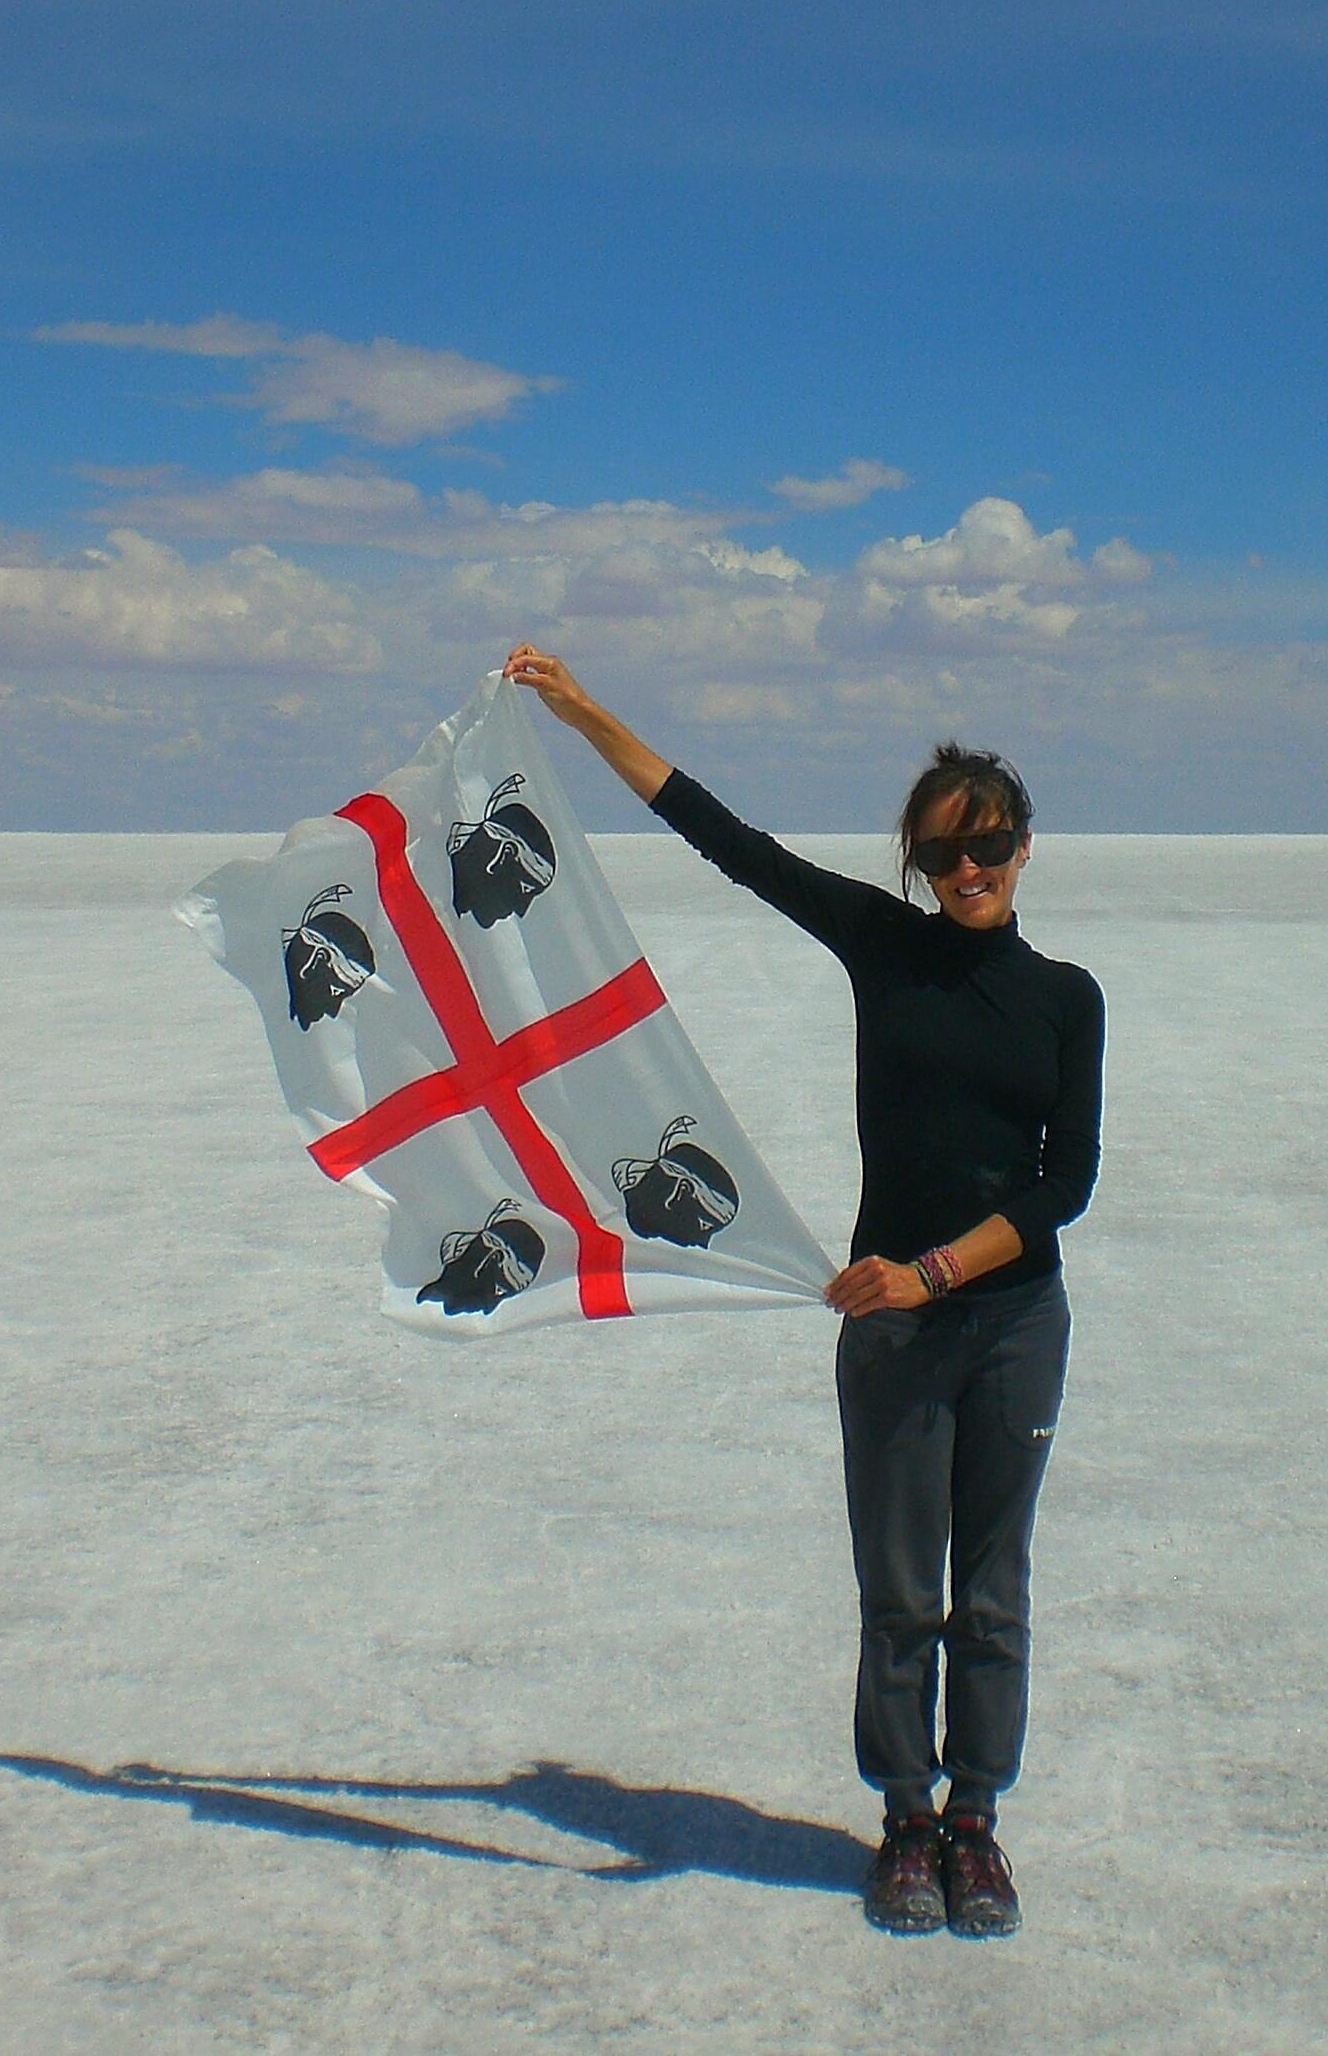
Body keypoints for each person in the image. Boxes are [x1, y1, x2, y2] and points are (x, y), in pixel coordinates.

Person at [505, 643, 1104, 1940]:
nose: (967, 872)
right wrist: (582, 709)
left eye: (988, 844)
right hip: (889, 1336)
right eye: (943, 853)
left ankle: (976, 1828)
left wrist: (934, 1267)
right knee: (900, 1594)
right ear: (915, 863)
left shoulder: (1063, 1001)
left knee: (988, 1595)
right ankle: (903, 1825)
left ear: (1021, 844)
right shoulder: (884, 948)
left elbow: (1065, 1187)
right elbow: (723, 836)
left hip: (1008, 1323)